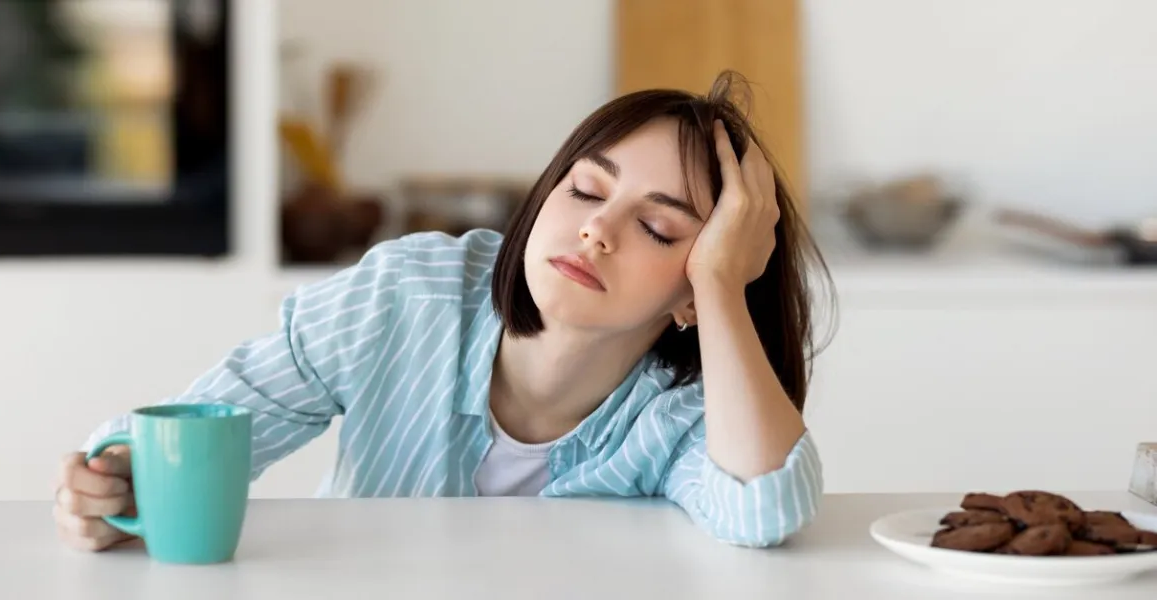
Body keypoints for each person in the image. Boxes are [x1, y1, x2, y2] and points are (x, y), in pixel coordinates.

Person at [52, 71, 833, 552]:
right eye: (586, 190)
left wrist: (725, 289)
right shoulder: (408, 293)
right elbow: (197, 433)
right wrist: (115, 484)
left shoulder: (684, 412)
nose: (597, 228)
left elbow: (762, 507)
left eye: (659, 227)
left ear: (697, 282)